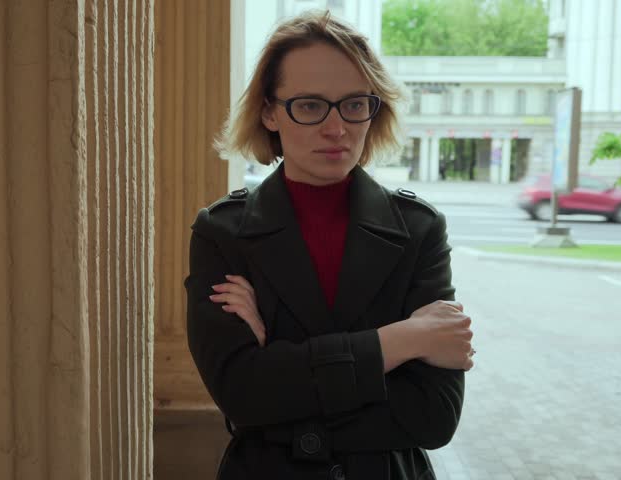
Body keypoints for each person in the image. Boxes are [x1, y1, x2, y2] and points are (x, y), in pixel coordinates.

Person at [184, 11, 475, 480]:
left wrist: (279, 372)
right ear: (269, 112)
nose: (336, 128)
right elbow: (241, 395)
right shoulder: (223, 233)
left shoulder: (419, 229)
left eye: (354, 104)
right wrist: (399, 341)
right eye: (310, 106)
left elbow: (433, 416)